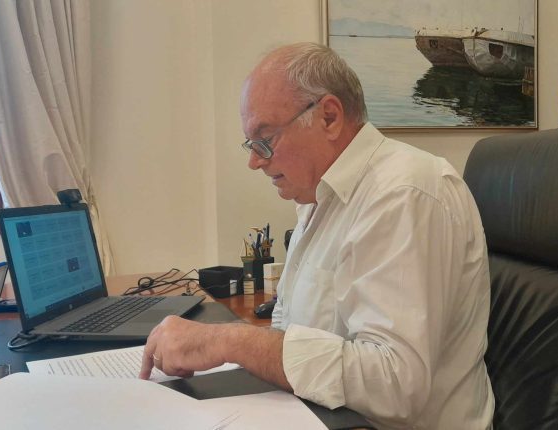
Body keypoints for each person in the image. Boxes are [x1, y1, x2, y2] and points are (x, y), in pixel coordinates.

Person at [140, 42, 494, 429]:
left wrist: (229, 341)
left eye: (265, 139)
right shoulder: (317, 200)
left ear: (328, 117)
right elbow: (288, 325)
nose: (254, 161)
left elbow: (394, 386)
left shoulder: (403, 193)